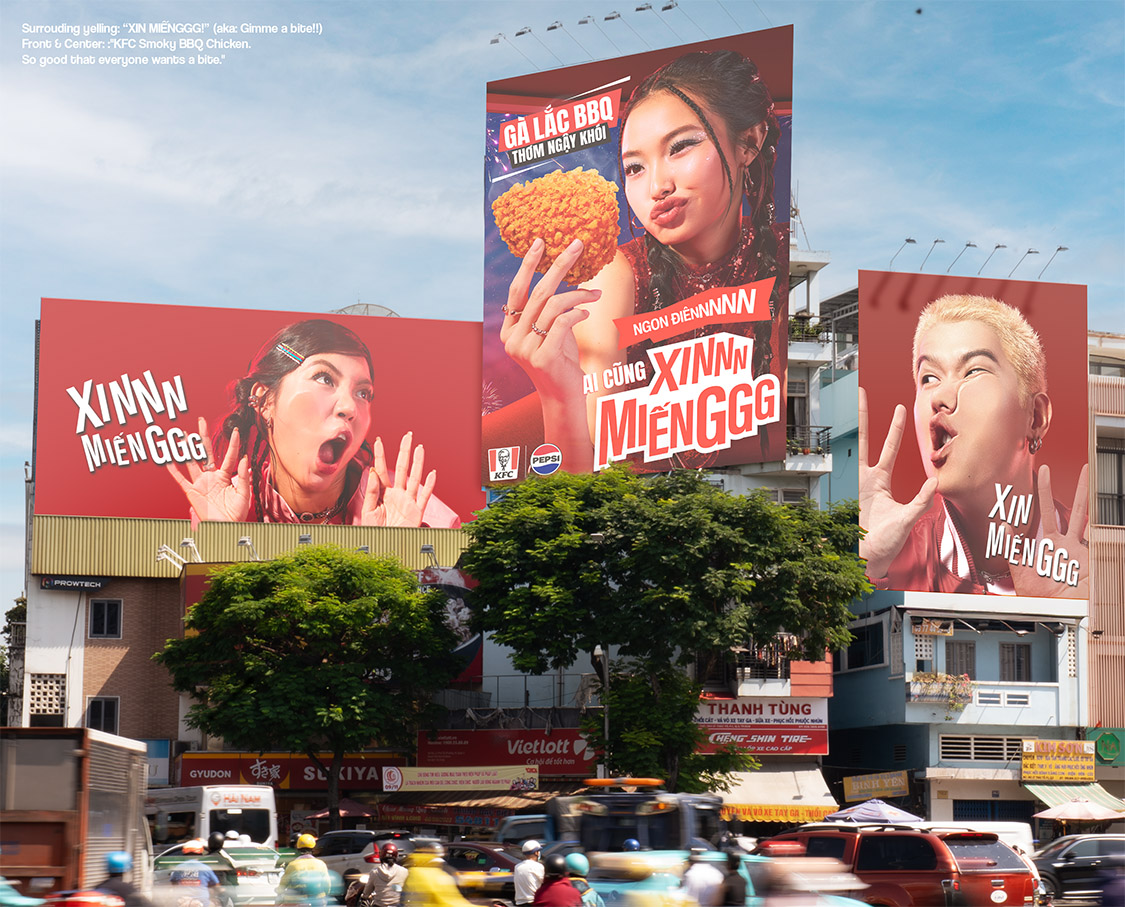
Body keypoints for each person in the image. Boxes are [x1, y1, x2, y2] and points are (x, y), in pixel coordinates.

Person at [498, 49, 787, 472]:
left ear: (749, 142)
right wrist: (558, 394)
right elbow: (588, 483)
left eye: (682, 146)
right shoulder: (618, 276)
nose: (657, 186)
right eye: (634, 168)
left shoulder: (786, 260)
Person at [859, 294, 1089, 597]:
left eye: (973, 371)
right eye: (929, 377)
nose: (940, 397)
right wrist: (866, 566)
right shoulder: (892, 557)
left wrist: (1072, 613)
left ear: (1035, 417)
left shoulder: (1094, 554)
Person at [166, 318, 459, 528]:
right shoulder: (221, 507)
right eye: (324, 378)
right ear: (264, 400)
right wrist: (220, 539)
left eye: (363, 393)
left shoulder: (417, 514)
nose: (349, 408)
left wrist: (401, 554)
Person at [277, 833, 331, 907]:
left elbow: (283, 885)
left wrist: (278, 892)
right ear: (314, 848)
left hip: (295, 902)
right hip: (317, 902)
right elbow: (327, 885)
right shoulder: (321, 864)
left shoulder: (293, 865)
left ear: (298, 848)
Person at [167, 840, 223, 907]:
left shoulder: (179, 868)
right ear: (200, 853)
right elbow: (217, 886)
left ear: (184, 853)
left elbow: (173, 885)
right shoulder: (205, 868)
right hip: (203, 904)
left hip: (183, 904)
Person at [360, 843, 409, 907]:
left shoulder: (375, 872)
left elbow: (366, 893)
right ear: (396, 856)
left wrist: (364, 896)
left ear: (381, 856)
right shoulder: (404, 871)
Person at [512, 840, 545, 907]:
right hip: (533, 902)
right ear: (536, 853)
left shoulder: (517, 867)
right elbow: (545, 883)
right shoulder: (538, 866)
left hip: (519, 903)